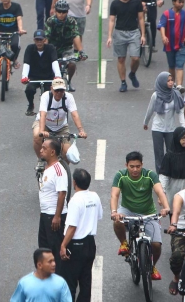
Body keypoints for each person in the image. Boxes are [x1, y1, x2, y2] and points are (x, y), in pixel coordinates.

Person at [111, 151, 170, 280]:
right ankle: (124, 244)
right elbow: (115, 195)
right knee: (117, 222)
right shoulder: (120, 175)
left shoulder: (150, 175)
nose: (135, 169)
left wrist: (166, 207)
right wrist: (114, 212)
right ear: (126, 165)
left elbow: (159, 191)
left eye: (138, 166)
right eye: (132, 166)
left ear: (142, 165)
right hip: (127, 210)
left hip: (148, 213)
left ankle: (152, 266)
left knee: (156, 245)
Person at [59, 169, 103, 302]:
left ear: (74, 182)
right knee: (85, 282)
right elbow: (99, 216)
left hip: (75, 246)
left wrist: (63, 245)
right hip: (90, 244)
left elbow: (72, 227)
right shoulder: (95, 196)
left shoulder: (75, 201)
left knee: (70, 283)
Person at [143, 72, 185, 174]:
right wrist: (146, 122)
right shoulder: (156, 95)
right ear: (162, 82)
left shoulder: (176, 94)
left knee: (171, 153)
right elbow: (150, 110)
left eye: (172, 80)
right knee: (159, 155)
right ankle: (160, 177)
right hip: (157, 128)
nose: (171, 83)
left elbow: (180, 111)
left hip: (171, 129)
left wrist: (183, 126)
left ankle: (170, 175)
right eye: (168, 81)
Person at [34, 78, 87, 160]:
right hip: (45, 124)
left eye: (61, 90)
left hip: (61, 127)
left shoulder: (68, 97)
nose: (59, 93)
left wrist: (81, 131)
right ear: (51, 89)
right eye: (56, 90)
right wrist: (42, 131)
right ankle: (41, 159)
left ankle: (64, 171)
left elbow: (74, 114)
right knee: (37, 135)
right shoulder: (46, 96)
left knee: (67, 154)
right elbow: (43, 115)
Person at [107, 0, 145, 93]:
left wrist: (143, 35)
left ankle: (132, 73)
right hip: (119, 33)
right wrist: (109, 36)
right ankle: (123, 82)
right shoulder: (115, 4)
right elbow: (112, 20)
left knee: (135, 58)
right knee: (121, 58)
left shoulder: (137, 2)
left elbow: (141, 18)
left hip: (134, 32)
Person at [37, 139, 68, 274]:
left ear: (52, 152)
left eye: (44, 148)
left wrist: (57, 216)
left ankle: (59, 278)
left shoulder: (58, 169)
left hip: (53, 216)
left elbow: (62, 193)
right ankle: (47, 276)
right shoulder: (47, 168)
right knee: (44, 247)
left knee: (55, 250)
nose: (41, 150)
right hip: (45, 214)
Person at [44, 0, 86, 92]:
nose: (61, 14)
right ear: (55, 11)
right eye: (59, 11)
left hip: (67, 47)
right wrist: (44, 51)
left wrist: (81, 51)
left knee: (72, 64)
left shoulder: (71, 21)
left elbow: (75, 35)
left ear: (67, 12)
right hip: (53, 48)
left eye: (64, 12)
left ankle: (69, 81)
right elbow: (46, 37)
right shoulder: (50, 21)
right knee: (48, 65)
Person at [158, 0, 185, 90]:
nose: (181, 4)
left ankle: (179, 85)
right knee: (171, 65)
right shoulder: (166, 14)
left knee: (180, 65)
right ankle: (172, 82)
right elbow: (162, 26)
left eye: (183, 2)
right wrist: (163, 36)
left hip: (182, 45)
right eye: (179, 2)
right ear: (174, 2)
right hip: (169, 45)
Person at [21, 29, 61, 116]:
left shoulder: (51, 48)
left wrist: (58, 76)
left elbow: (54, 62)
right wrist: (24, 77)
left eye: (41, 40)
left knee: (49, 94)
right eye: (37, 40)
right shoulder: (30, 48)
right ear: (34, 40)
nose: (39, 42)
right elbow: (26, 63)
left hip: (48, 77)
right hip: (34, 77)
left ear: (45, 40)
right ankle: (31, 105)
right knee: (29, 90)